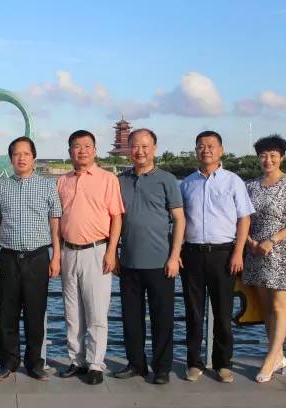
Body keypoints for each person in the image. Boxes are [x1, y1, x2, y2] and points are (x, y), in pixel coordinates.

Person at [180, 130, 254, 383]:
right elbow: (179, 220)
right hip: (191, 254)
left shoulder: (233, 181)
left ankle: (223, 363)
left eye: (211, 145)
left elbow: (244, 219)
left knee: (223, 314)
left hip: (224, 254)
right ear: (196, 151)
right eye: (201, 146)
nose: (206, 150)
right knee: (193, 313)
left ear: (221, 150)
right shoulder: (187, 183)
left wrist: (238, 252)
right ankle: (194, 363)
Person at [0, 136, 62, 381]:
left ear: (34, 158)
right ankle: (7, 362)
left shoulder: (47, 186)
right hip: (8, 257)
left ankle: (34, 363)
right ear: (11, 159)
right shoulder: (1, 187)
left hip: (38, 257)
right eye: (16, 154)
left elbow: (55, 223)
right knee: (6, 313)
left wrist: (56, 256)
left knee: (35, 313)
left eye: (26, 154)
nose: (21, 158)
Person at [115, 129, 185, 385]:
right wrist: (114, 254)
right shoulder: (120, 180)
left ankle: (162, 368)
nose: (140, 151)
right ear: (129, 149)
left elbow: (179, 220)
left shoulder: (167, 180)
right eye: (135, 146)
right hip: (128, 262)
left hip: (161, 263)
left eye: (145, 146)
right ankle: (136, 364)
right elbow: (115, 220)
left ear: (154, 148)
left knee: (162, 318)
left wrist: (174, 256)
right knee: (131, 319)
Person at [57, 130, 124, 385]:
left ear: (95, 150)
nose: (82, 150)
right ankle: (77, 360)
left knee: (96, 312)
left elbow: (116, 217)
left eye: (87, 146)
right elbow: (57, 219)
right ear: (70, 152)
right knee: (72, 312)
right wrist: (57, 253)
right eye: (77, 146)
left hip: (97, 251)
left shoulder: (108, 179)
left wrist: (111, 251)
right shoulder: (62, 181)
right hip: (68, 251)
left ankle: (96, 363)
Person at [242, 135, 286, 383]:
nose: (268, 160)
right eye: (263, 155)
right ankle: (278, 355)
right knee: (266, 308)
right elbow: (243, 218)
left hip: (283, 252)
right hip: (256, 252)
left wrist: (272, 240)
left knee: (280, 307)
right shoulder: (250, 186)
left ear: (281, 157)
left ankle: (270, 359)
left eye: (273, 155)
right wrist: (250, 242)